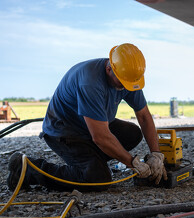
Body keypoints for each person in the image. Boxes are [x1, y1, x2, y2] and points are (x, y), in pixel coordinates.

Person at [7, 43, 167, 192]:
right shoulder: (90, 83)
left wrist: (156, 153)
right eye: (122, 83)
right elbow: (101, 137)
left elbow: (144, 116)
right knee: (97, 179)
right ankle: (27, 169)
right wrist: (132, 162)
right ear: (110, 69)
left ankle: (91, 162)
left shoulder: (128, 77)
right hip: (66, 131)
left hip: (90, 126)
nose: (125, 88)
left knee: (133, 134)